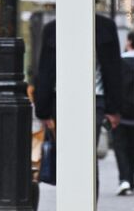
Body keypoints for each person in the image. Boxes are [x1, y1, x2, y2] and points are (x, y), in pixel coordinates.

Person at [33, 10, 124, 196]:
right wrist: (43, 110)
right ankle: (76, 208)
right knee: (74, 156)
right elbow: (46, 70)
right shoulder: (55, 28)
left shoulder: (55, 28)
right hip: (72, 99)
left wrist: (114, 108)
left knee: (83, 156)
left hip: (88, 98)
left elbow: (113, 69)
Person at [112, 32, 134, 195]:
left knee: (120, 147)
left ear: (129, 42)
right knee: (133, 148)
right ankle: (131, 180)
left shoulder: (119, 62)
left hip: (121, 112)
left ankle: (124, 179)